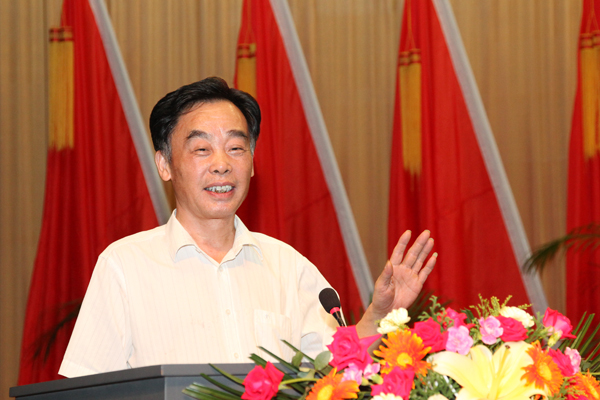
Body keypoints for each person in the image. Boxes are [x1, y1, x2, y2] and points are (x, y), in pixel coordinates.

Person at [59, 77, 436, 378]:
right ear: (165, 165)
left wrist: (378, 317)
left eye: (236, 148)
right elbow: (86, 388)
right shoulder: (124, 266)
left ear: (252, 162)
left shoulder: (288, 266)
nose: (222, 164)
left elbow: (335, 374)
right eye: (202, 149)